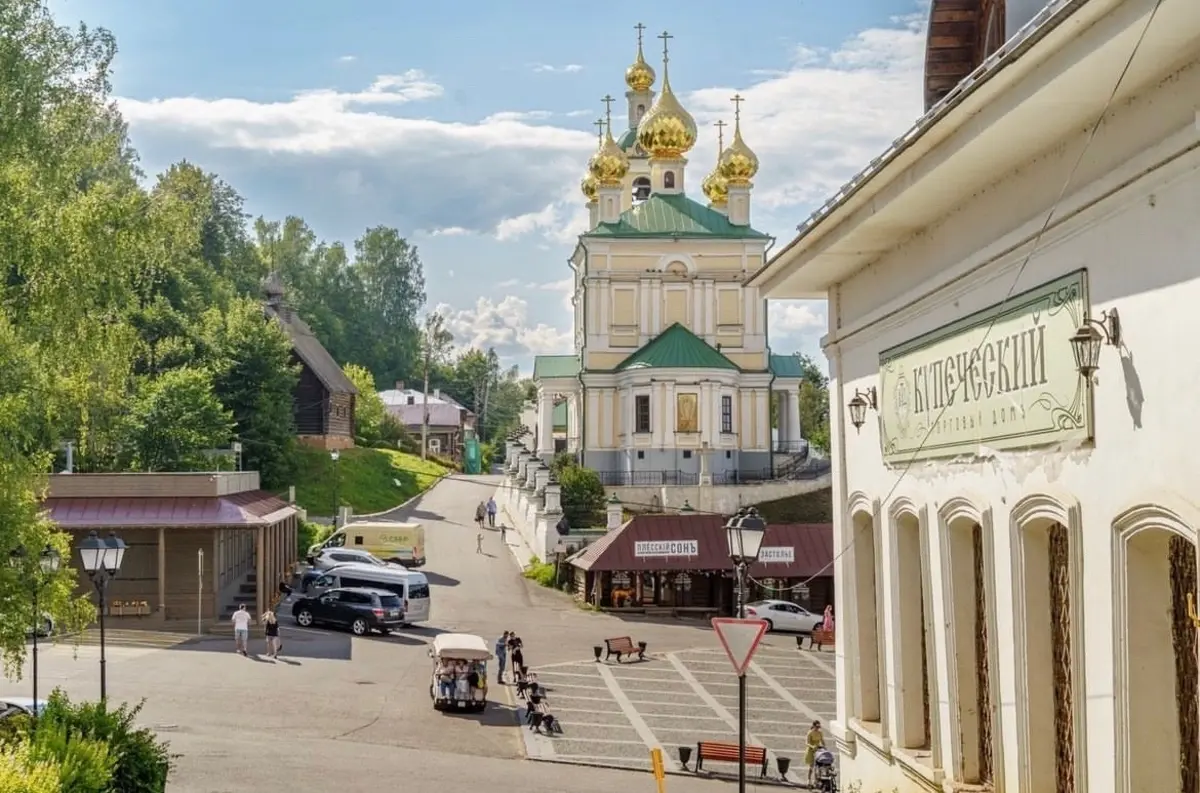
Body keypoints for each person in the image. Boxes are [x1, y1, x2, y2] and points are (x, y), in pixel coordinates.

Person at [805, 720, 826, 785]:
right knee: (811, 766)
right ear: (814, 726)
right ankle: (809, 779)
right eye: (817, 727)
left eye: (819, 727)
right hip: (811, 750)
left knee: (819, 766)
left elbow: (822, 741)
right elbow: (807, 743)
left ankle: (816, 780)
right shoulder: (810, 733)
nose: (818, 728)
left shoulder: (820, 733)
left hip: (818, 749)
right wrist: (812, 746)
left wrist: (824, 746)